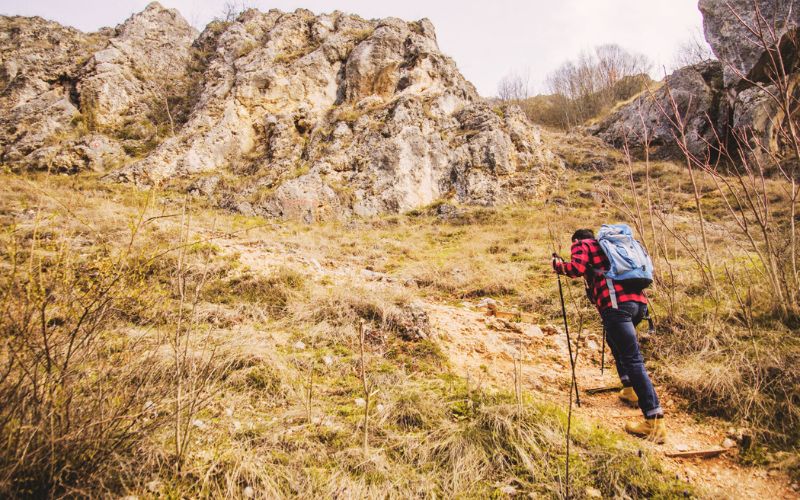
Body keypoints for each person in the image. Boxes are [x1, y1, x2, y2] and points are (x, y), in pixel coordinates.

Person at [552, 228, 666, 443]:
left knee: (633, 359)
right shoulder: (612, 248)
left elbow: (575, 269)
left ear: (576, 239)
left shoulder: (583, 244)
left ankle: (654, 421)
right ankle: (630, 389)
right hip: (639, 305)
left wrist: (557, 265)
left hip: (616, 306)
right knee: (614, 342)